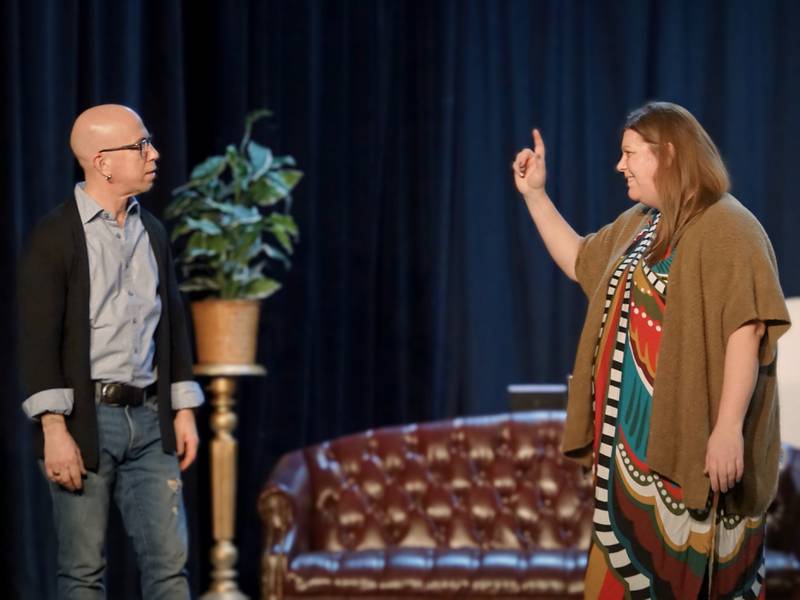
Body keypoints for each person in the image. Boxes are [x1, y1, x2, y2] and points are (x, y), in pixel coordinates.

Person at [513, 102, 790, 599]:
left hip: (690, 455)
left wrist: (728, 429)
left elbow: (745, 331)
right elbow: (581, 261)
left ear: (668, 154)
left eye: (629, 153)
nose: (620, 165)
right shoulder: (643, 224)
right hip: (628, 458)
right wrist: (536, 197)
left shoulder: (728, 226)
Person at [18, 104, 204, 599]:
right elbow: (38, 341)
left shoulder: (153, 232)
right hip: (85, 420)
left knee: (169, 566)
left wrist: (182, 409)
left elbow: (172, 324)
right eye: (140, 145)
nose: (153, 154)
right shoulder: (54, 238)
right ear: (103, 162)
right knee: (82, 570)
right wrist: (54, 430)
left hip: (147, 417)